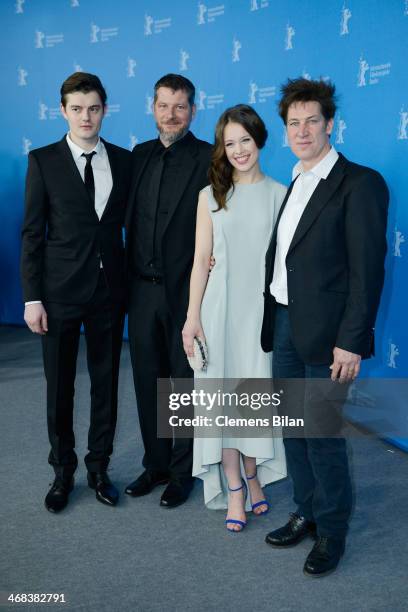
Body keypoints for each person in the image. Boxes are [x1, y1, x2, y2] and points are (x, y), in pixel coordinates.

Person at [262, 78, 389, 575]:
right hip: (287, 324)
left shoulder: (360, 183)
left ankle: (332, 531)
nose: (302, 130)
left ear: (330, 124)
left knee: (321, 433)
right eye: (293, 123)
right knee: (294, 429)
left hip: (330, 334)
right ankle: (307, 510)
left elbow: (366, 271)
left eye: (312, 120)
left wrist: (351, 342)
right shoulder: (295, 179)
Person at [20, 72, 131, 512]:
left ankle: (99, 468)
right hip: (60, 292)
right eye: (77, 109)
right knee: (59, 387)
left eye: (94, 108)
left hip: (109, 291)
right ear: (63, 111)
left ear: (105, 110)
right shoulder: (42, 160)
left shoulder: (124, 161)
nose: (86, 116)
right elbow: (32, 233)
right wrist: (32, 298)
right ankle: (62, 473)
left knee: (106, 384)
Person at [182, 105, 287, 531]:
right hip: (217, 311)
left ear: (260, 139)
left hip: (259, 316)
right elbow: (199, 262)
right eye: (230, 143)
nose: (239, 150)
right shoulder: (210, 196)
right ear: (221, 150)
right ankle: (236, 487)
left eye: (245, 139)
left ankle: (252, 472)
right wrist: (192, 319)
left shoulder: (284, 195)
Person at [125, 74, 212, 508]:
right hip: (141, 291)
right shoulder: (137, 156)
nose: (171, 115)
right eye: (164, 105)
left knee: (183, 385)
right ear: (152, 108)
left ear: (193, 111)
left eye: (180, 106)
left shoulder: (210, 158)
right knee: (147, 381)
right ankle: (155, 463)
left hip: (186, 294)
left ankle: (182, 471)